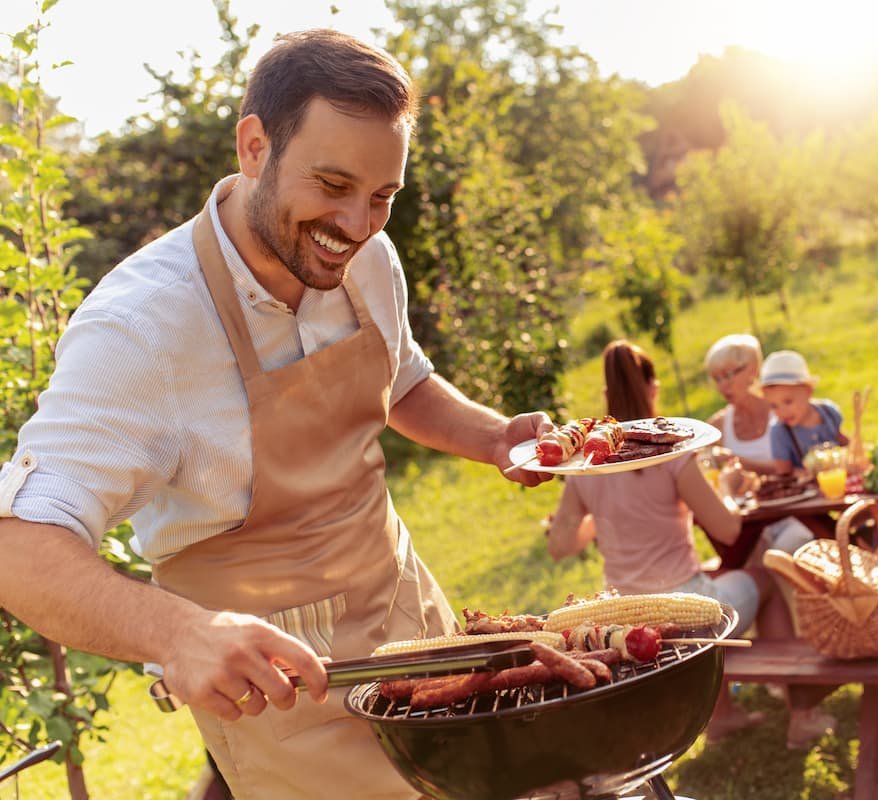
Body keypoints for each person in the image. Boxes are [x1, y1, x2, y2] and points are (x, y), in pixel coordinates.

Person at [0, 30, 553, 800]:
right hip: (281, 695)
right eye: (332, 185)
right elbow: (19, 547)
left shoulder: (367, 259)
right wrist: (178, 632)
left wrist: (493, 436)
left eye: (382, 197)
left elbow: (403, 380)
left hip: (409, 622)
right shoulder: (141, 329)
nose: (358, 225)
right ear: (255, 145)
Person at [546, 340, 834, 748]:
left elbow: (560, 545)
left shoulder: (585, 467)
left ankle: (724, 715)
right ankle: (801, 714)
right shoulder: (670, 453)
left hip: (621, 616)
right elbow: (728, 529)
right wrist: (732, 488)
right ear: (651, 389)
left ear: (607, 395)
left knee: (723, 576)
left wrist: (604, 517)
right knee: (765, 579)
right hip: (683, 605)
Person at [759, 350, 849, 475]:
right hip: (807, 491)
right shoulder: (780, 431)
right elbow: (784, 471)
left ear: (808, 392)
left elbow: (842, 441)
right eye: (774, 406)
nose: (782, 412)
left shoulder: (828, 412)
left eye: (788, 402)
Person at [704, 333, 782, 476]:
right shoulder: (717, 427)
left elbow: (797, 466)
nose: (722, 386)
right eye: (717, 379)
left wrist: (737, 461)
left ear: (752, 370)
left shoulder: (781, 411)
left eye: (727, 375)